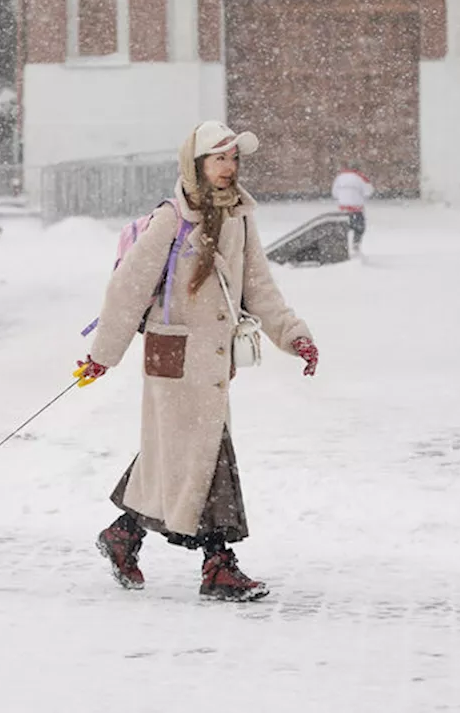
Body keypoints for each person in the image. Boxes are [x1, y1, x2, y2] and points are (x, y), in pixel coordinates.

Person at [76, 120, 320, 602]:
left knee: (179, 454)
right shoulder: (172, 219)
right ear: (197, 164)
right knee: (206, 454)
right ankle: (218, 566)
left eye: (233, 159)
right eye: (219, 159)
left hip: (212, 362)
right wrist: (103, 355)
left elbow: (259, 288)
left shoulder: (240, 218)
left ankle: (124, 534)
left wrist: (295, 337)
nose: (229, 168)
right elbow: (128, 290)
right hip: (173, 358)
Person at [331, 160, 375, 254]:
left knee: (343, 229)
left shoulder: (339, 177)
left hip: (343, 209)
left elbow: (334, 193)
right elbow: (369, 191)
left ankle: (342, 248)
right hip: (356, 208)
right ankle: (356, 245)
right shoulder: (360, 177)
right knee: (359, 228)